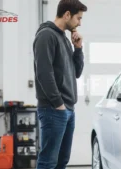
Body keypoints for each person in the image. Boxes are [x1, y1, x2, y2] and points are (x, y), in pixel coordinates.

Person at [32, 0, 87, 168]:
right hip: (53, 109)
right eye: (78, 18)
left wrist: (78, 49)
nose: (80, 23)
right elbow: (43, 73)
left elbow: (76, 72)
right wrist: (58, 105)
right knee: (48, 161)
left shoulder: (63, 38)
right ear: (67, 14)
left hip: (67, 109)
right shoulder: (46, 35)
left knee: (62, 160)